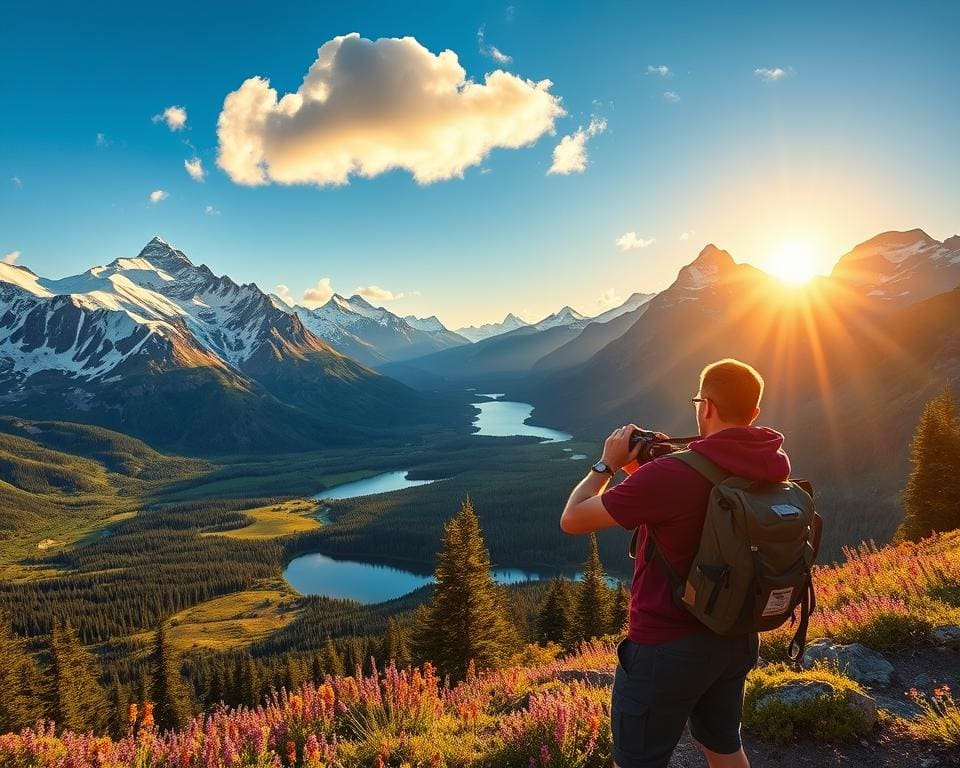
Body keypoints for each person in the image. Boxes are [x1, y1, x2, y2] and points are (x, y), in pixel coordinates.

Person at [559, 358, 791, 768]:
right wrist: (647, 472)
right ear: (753, 413)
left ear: (706, 407)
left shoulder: (672, 474)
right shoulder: (771, 466)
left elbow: (573, 519)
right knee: (722, 745)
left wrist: (606, 465)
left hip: (665, 645)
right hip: (735, 633)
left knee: (637, 761)